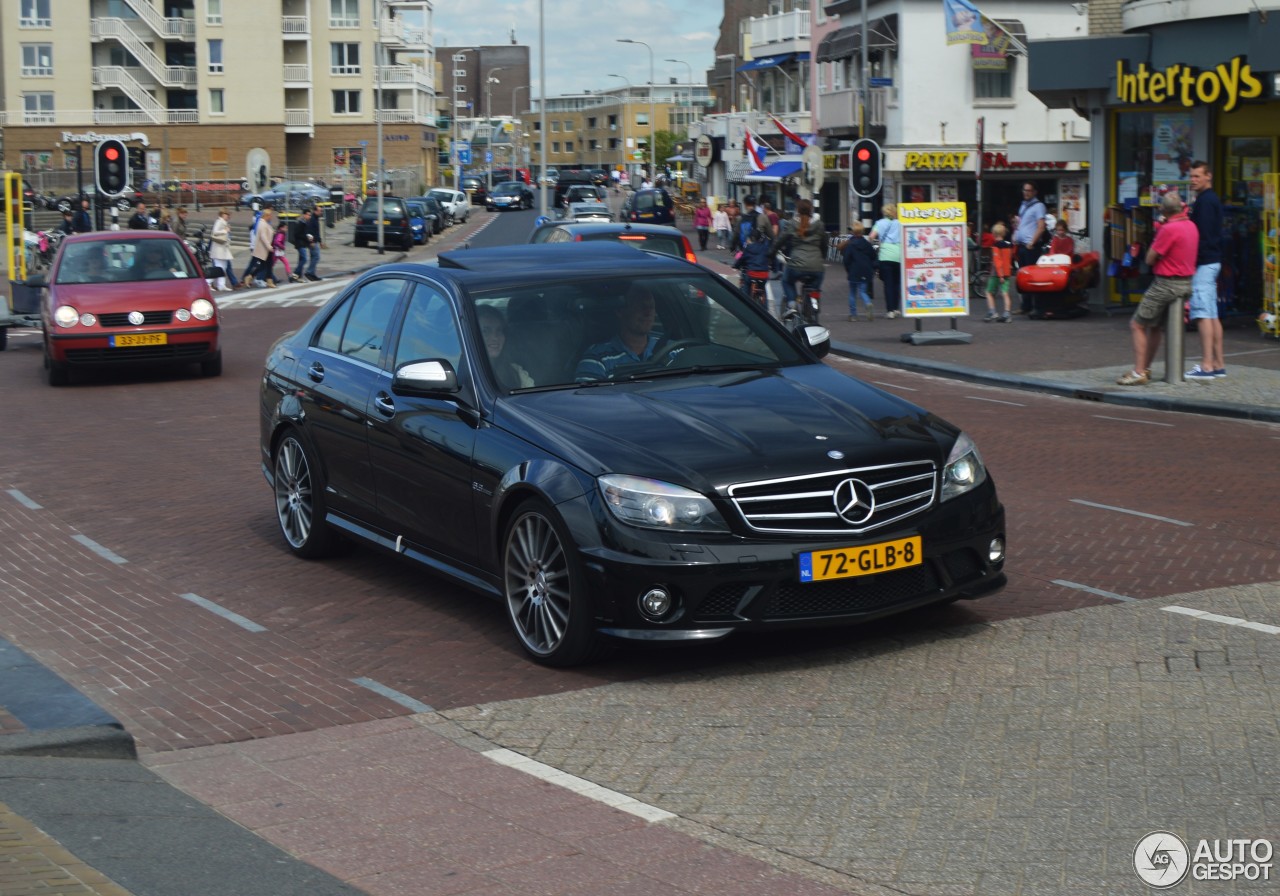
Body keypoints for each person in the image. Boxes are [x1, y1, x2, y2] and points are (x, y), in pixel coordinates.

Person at [1116, 192, 1198, 386]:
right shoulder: (1192, 226)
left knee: (1137, 324)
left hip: (1165, 284)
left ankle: (1138, 372)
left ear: (1163, 211)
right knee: (1155, 327)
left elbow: (1150, 258)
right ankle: (1145, 367)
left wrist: (1160, 228)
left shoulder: (1169, 229)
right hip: (1186, 282)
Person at [1186, 160, 1226, 380]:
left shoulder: (1206, 202)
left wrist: (1194, 261)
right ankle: (1218, 363)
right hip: (1211, 261)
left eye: (1197, 176)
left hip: (1204, 263)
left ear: (1208, 176)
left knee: (1202, 314)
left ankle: (1207, 365)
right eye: (1191, 176)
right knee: (1211, 315)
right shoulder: (1208, 200)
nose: (1193, 180)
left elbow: (1204, 236)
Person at [575, 286, 662, 380]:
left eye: (651, 307)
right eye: (640, 306)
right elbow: (587, 394)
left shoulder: (672, 350)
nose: (648, 313)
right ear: (620, 311)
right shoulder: (597, 358)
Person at [773, 198, 829, 317]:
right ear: (811, 210)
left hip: (796, 265)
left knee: (786, 281)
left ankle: (792, 304)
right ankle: (815, 304)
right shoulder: (819, 225)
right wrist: (822, 257)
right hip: (817, 267)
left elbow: (780, 240)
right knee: (815, 288)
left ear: (797, 210)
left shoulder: (792, 223)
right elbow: (825, 244)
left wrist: (771, 252)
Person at [478, 306, 534, 389]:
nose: (494, 337)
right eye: (486, 331)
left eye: (499, 330)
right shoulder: (462, 374)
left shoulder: (516, 372)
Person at [1012, 182, 1047, 314]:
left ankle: (1036, 307)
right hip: (1022, 246)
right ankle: (1025, 306)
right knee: (1023, 277)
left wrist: (1032, 242)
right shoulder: (1023, 205)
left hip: (1030, 247)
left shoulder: (1039, 206)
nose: (1026, 193)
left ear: (1035, 192)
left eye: (1029, 190)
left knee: (1033, 277)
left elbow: (1041, 226)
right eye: (1024, 190)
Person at [842, 221, 877, 322]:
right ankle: (867, 303)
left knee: (852, 293)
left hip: (853, 271)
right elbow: (873, 256)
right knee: (863, 291)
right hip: (865, 271)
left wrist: (848, 270)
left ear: (853, 232)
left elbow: (846, 259)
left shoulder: (851, 245)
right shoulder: (867, 244)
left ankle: (853, 315)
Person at [871, 203, 902, 318]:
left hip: (885, 255)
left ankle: (890, 311)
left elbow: (871, 237)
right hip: (898, 255)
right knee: (897, 283)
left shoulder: (879, 223)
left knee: (888, 284)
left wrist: (879, 242)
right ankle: (896, 308)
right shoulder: (900, 223)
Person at [733, 225, 773, 307]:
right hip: (764, 274)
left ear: (751, 238)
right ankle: (765, 308)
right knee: (762, 288)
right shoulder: (765, 248)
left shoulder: (749, 247)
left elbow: (742, 259)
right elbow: (771, 257)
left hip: (752, 273)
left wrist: (736, 265)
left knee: (746, 287)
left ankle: (745, 305)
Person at [983, 223, 1015, 323]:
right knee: (1005, 293)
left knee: (989, 292)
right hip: (1007, 273)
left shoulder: (996, 246)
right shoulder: (1009, 245)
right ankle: (1007, 313)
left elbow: (997, 262)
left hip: (996, 274)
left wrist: (1000, 275)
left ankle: (992, 312)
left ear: (994, 234)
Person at [243, 207, 276, 288]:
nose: (271, 217)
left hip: (266, 248)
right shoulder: (262, 224)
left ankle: (268, 280)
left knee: (267, 265)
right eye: (270, 215)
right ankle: (250, 276)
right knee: (263, 265)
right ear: (266, 216)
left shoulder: (265, 223)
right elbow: (263, 236)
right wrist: (269, 246)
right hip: (264, 248)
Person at [209, 208, 238, 291]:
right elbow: (214, 232)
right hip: (219, 248)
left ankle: (221, 285)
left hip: (222, 248)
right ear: (222, 214)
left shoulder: (224, 222)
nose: (228, 216)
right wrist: (225, 231)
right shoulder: (219, 221)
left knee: (223, 267)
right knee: (219, 268)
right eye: (226, 214)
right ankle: (207, 282)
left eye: (228, 215)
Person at [290, 208, 315, 283]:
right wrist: (307, 237)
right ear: (304, 215)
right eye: (308, 215)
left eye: (310, 215)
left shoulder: (305, 223)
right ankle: (295, 274)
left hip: (303, 243)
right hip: (300, 244)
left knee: (301, 260)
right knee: (304, 259)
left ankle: (299, 276)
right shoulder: (301, 223)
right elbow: (297, 234)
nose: (309, 217)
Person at [303, 206, 323, 281]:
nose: (320, 212)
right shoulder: (312, 220)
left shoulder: (316, 219)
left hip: (315, 241)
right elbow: (309, 232)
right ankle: (309, 272)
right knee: (316, 257)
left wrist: (320, 241)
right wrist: (311, 242)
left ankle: (312, 274)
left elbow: (317, 232)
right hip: (313, 242)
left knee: (313, 257)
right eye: (319, 211)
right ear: (315, 211)